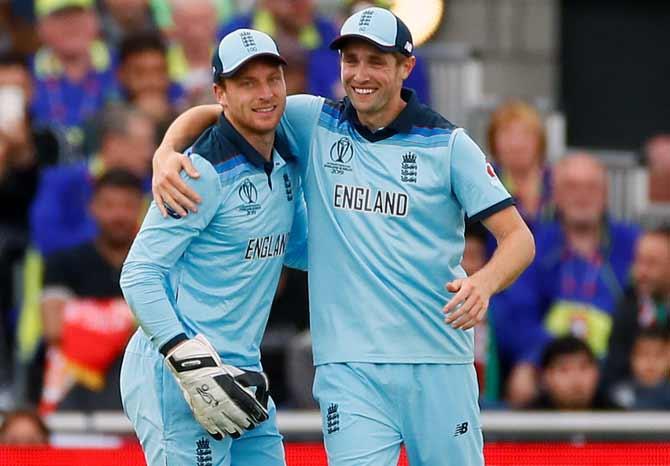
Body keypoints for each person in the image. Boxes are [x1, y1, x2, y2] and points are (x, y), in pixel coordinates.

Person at [152, 8, 534, 466]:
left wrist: (483, 283)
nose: (360, 74)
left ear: (405, 67)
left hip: (437, 358)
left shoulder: (448, 145)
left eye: (376, 61)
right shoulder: (314, 118)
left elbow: (519, 240)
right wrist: (167, 150)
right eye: (351, 60)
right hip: (348, 368)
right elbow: (227, 109)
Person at [119, 29, 308, 466]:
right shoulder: (198, 170)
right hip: (178, 376)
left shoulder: (285, 157)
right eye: (247, 83)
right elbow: (139, 274)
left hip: (243, 373)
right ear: (220, 93)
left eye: (272, 80)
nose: (264, 94)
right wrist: (189, 362)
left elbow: (290, 248)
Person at [494, 152, 639, 409]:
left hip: (619, 369)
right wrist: (534, 358)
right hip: (551, 370)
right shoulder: (530, 243)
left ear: (605, 196)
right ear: (556, 195)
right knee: (520, 384)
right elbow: (515, 313)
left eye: (591, 187)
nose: (582, 196)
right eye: (572, 187)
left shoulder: (634, 245)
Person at [33, 169, 143, 412]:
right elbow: (53, 329)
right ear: (92, 207)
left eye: (127, 205)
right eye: (109, 205)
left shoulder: (158, 263)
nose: (118, 215)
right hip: (73, 389)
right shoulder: (63, 262)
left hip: (141, 385)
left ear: (141, 209)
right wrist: (131, 320)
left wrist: (88, 319)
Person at [30, 104, 155, 257]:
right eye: (142, 144)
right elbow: (47, 240)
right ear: (112, 143)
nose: (150, 153)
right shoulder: (61, 182)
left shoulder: (154, 189)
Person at [31, 0, 117, 156]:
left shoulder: (122, 64)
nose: (70, 25)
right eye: (59, 18)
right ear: (40, 27)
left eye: (77, 15)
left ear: (95, 20)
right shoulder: (25, 74)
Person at [219, 0, 341, 98]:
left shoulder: (325, 30)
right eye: (294, 2)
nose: (305, 5)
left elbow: (331, 87)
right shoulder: (237, 30)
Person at [604, 227, 670, 386]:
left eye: (652, 263)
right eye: (639, 261)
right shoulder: (625, 309)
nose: (642, 271)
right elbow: (613, 372)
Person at [531, 336, 611, 410]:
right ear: (546, 376)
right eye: (564, 370)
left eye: (584, 368)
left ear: (597, 372)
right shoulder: (527, 418)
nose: (576, 379)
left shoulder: (617, 416)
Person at [608, 327, 670, 410]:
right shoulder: (619, 393)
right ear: (631, 357)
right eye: (644, 354)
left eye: (658, 355)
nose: (651, 361)